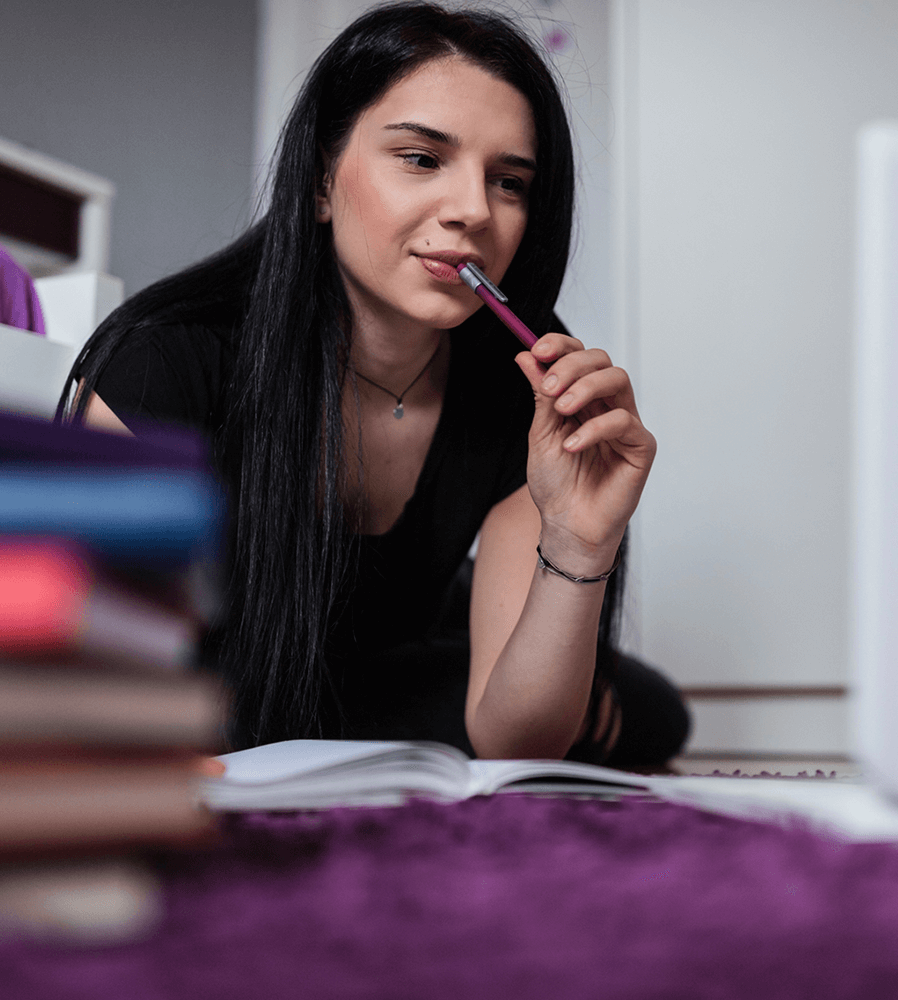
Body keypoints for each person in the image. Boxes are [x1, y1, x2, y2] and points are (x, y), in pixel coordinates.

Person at [61, 2, 690, 768]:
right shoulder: (165, 362)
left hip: (390, 658)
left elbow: (518, 745)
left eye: (510, 181)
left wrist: (580, 542)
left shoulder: (521, 397)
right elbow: (83, 682)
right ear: (323, 183)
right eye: (422, 159)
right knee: (239, 707)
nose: (472, 211)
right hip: (215, 673)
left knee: (647, 708)